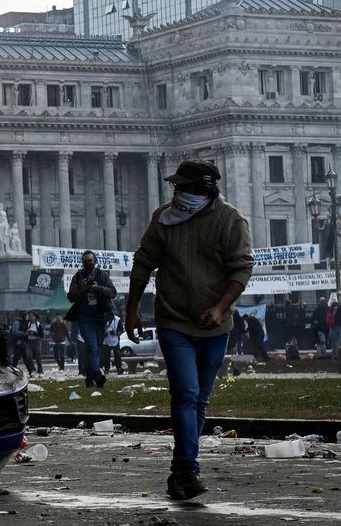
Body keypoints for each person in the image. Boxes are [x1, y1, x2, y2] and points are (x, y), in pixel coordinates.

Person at [124, 159, 254, 502]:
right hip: (174, 321)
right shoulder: (164, 218)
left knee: (199, 400)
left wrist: (220, 307)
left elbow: (241, 269)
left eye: (186, 187)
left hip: (215, 326)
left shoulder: (231, 221)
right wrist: (132, 309)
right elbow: (143, 262)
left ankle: (180, 471)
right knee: (186, 393)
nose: (179, 193)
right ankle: (189, 468)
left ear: (206, 189)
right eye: (176, 187)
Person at [67, 249, 117, 388]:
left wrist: (98, 288)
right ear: (82, 263)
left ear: (95, 261)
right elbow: (71, 296)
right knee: (92, 346)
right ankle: (97, 375)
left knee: (96, 348)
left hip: (101, 317)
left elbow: (113, 292)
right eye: (85, 261)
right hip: (85, 318)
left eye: (90, 260)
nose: (88, 263)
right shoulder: (78, 277)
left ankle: (89, 378)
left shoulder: (102, 275)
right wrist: (83, 287)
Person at [103, 312, 126, 376]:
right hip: (105, 341)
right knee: (106, 356)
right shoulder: (103, 319)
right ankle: (106, 369)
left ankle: (119, 368)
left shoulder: (117, 319)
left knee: (117, 355)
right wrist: (105, 332)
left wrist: (116, 332)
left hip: (115, 340)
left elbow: (121, 329)